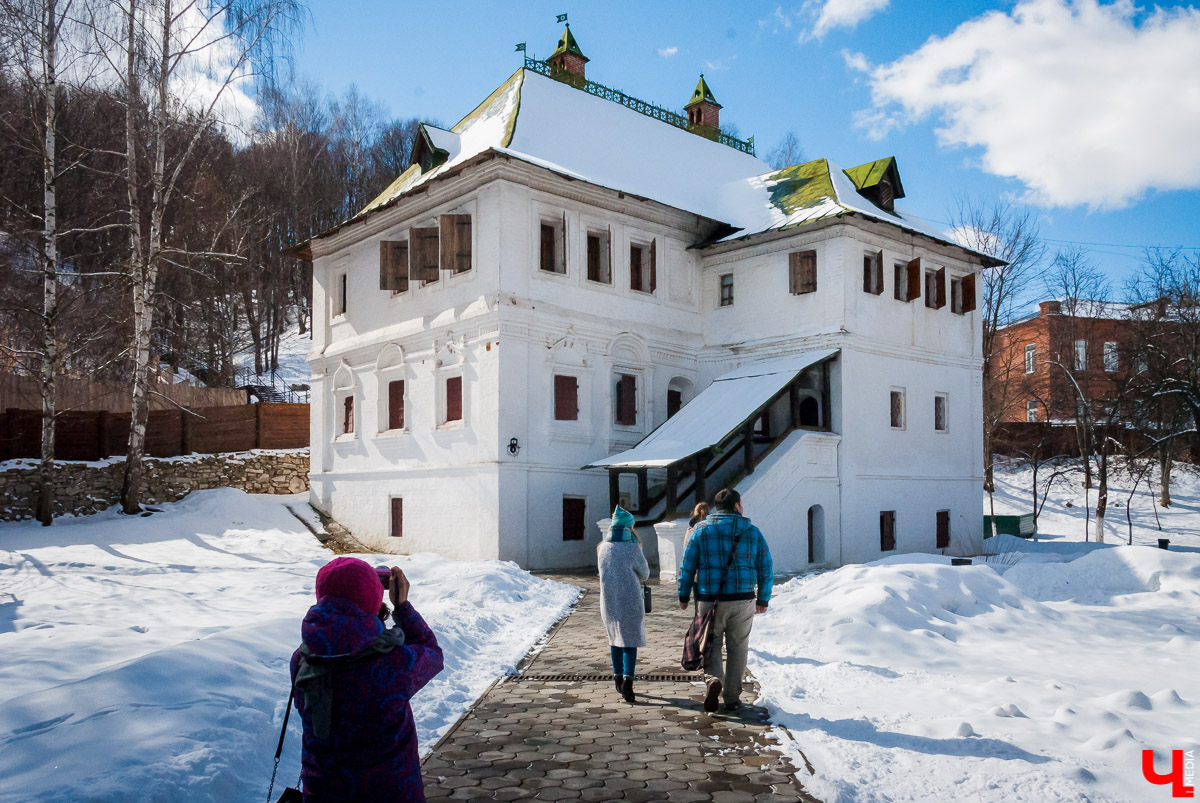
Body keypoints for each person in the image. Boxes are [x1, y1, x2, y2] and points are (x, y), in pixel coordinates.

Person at [290, 556, 444, 802]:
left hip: (323, 792)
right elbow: (432, 653)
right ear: (371, 598)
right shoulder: (394, 663)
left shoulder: (302, 659)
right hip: (391, 792)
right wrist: (402, 606)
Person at [677, 488, 772, 713]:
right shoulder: (752, 532)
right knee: (738, 647)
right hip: (743, 599)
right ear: (737, 506)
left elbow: (688, 565)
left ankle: (713, 680)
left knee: (711, 644)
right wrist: (763, 599)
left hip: (709, 600)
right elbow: (765, 567)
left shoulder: (700, 530)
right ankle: (732, 697)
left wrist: (683, 595)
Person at [598, 505, 650, 704]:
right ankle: (628, 680)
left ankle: (617, 677)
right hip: (630, 600)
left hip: (608, 601)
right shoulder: (632, 547)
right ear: (628, 527)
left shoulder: (602, 548)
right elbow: (644, 574)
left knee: (614, 638)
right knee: (629, 640)